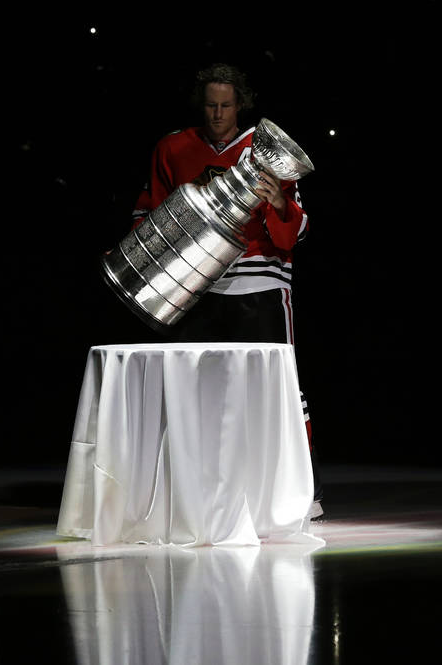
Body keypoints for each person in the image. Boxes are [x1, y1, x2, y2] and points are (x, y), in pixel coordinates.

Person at [130, 63, 323, 518]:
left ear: (242, 105)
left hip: (261, 282)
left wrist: (278, 202)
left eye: (226, 106)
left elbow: (297, 230)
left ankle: (302, 492)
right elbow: (149, 213)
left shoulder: (268, 150)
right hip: (198, 284)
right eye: (211, 105)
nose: (218, 114)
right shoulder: (173, 147)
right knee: (195, 389)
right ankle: (194, 492)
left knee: (281, 389)